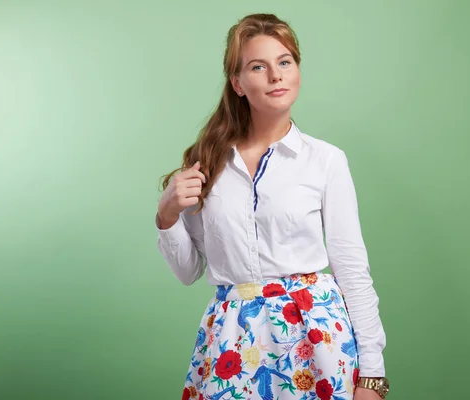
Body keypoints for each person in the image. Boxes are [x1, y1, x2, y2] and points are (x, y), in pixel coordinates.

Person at [155, 13, 389, 400]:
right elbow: (188, 271)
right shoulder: (206, 161)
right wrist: (166, 216)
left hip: (317, 341)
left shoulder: (326, 160)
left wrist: (373, 376)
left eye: (285, 62)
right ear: (238, 84)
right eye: (258, 67)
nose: (276, 76)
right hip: (232, 341)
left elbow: (351, 267)